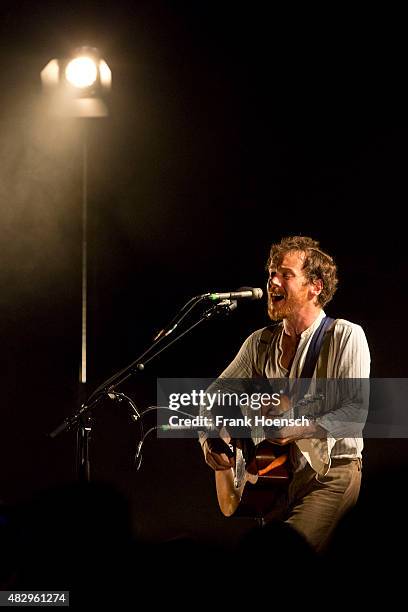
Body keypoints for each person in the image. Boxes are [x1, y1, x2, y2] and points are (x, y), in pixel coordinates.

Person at [199, 235, 370, 552]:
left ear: (315, 286)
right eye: (270, 273)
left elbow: (354, 414)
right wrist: (210, 436)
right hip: (274, 480)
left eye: (285, 274)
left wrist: (300, 426)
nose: (271, 282)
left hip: (329, 477)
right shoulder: (259, 343)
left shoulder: (344, 335)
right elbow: (213, 397)